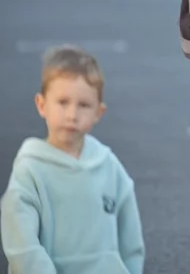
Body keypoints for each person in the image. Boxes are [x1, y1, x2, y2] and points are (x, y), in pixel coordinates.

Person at [0, 45, 145, 274]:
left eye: (84, 105)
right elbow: (22, 244)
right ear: (41, 104)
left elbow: (130, 240)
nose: (72, 115)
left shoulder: (108, 165)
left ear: (99, 112)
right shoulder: (30, 169)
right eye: (63, 102)